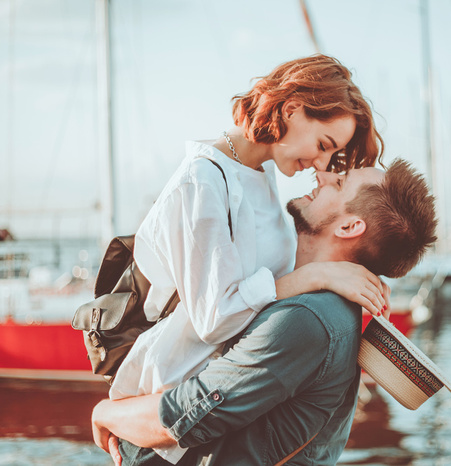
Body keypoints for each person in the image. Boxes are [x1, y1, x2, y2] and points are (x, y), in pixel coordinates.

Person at [108, 54, 387, 463]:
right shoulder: (202, 181)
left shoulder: (261, 175)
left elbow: (277, 271)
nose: (323, 164)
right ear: (292, 109)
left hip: (215, 402)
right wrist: (319, 276)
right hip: (169, 412)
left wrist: (355, 271)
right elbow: (215, 317)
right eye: (325, 145)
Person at [92, 159, 438, 465]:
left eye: (339, 182)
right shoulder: (323, 301)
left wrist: (106, 412)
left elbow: (193, 412)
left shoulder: (307, 318)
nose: (322, 173)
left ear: (349, 227)